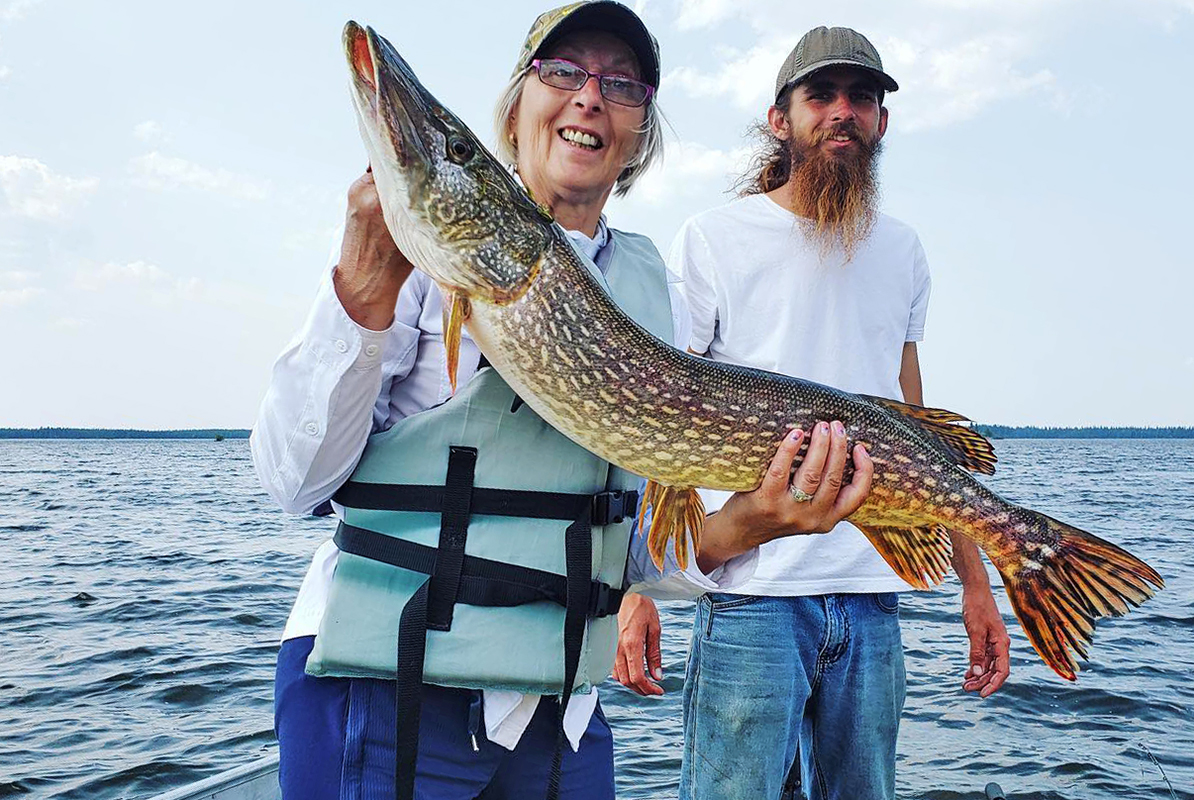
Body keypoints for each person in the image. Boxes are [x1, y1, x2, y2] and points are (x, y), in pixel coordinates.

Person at [251, 6, 873, 799]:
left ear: (639, 130)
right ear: (515, 108)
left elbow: (637, 548)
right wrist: (365, 292)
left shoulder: (659, 297)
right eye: (562, 72)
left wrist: (753, 522)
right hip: (385, 678)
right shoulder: (413, 258)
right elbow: (292, 481)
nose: (589, 97)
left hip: (560, 710)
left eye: (619, 83)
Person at [613, 26, 1014, 800]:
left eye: (861, 98)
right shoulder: (714, 237)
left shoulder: (902, 251)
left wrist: (977, 581)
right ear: (780, 118)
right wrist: (638, 588)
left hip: (872, 596)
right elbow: (656, 404)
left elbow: (912, 416)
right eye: (821, 96)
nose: (843, 112)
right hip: (750, 599)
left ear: (881, 123)